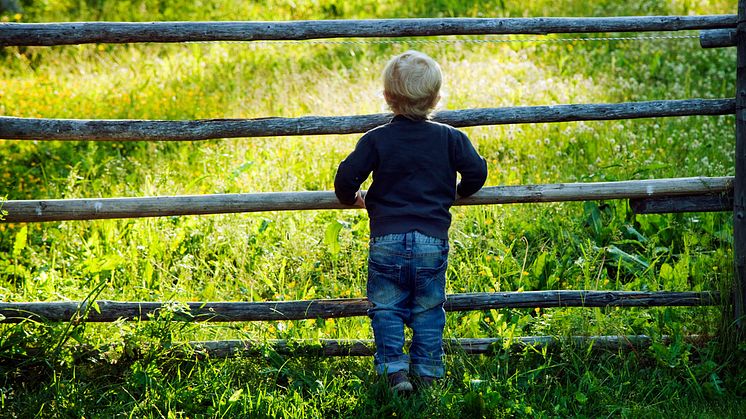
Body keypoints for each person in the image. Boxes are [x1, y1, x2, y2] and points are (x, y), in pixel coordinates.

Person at [334, 50, 488, 393]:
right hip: (432, 240)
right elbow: (477, 172)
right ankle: (429, 372)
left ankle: (394, 372)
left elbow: (345, 178)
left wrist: (353, 198)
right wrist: (458, 192)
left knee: (387, 308)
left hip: (387, 239)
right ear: (435, 98)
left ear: (387, 97)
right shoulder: (451, 138)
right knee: (429, 309)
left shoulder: (377, 138)